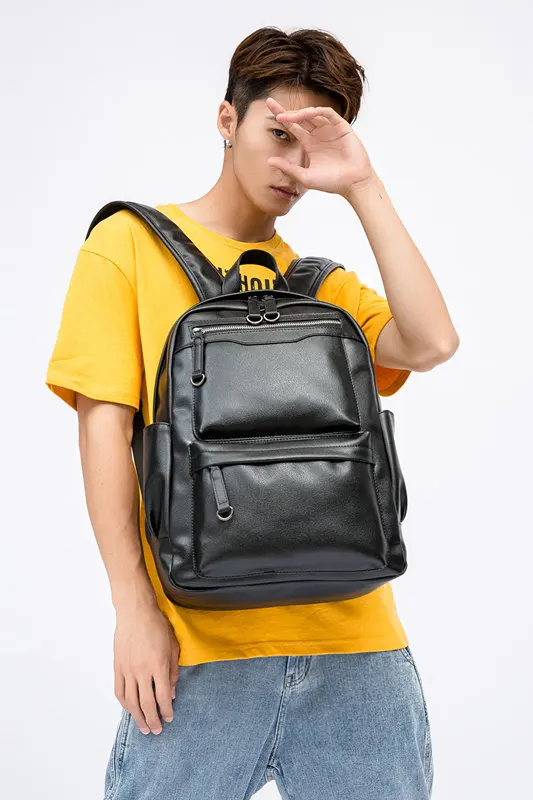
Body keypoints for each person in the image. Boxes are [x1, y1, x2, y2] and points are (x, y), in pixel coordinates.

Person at [45, 25, 459, 800]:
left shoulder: (320, 288)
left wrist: (361, 184)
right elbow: (102, 432)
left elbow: (431, 341)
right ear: (226, 120)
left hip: (357, 653)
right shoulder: (126, 247)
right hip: (193, 655)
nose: (292, 165)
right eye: (278, 135)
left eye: (311, 144)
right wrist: (131, 609)